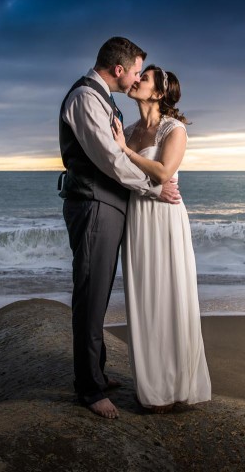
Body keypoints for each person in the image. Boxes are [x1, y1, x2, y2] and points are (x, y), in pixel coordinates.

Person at [59, 37, 181, 420]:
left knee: (99, 290)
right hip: (94, 203)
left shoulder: (102, 99)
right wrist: (153, 187)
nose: (134, 79)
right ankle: (89, 388)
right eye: (135, 71)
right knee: (91, 292)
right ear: (119, 69)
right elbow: (110, 160)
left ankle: (96, 371)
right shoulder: (84, 98)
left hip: (108, 204)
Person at [111, 64, 212, 413]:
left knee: (169, 293)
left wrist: (125, 151)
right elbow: (122, 176)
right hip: (138, 217)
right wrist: (123, 149)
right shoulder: (128, 129)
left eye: (145, 78)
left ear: (158, 93)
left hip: (166, 218)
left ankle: (178, 385)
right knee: (144, 296)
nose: (136, 80)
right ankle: (153, 388)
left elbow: (165, 172)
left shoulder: (175, 129)